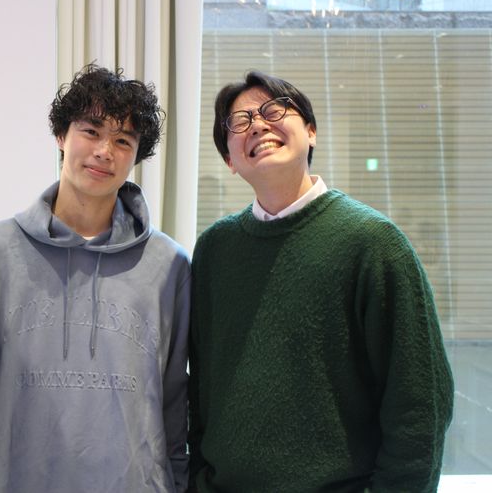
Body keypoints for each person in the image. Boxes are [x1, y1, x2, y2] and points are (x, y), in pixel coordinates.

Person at [188, 71, 454, 492]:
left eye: (274, 110)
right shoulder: (214, 250)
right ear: (230, 161)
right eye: (240, 121)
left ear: (310, 131)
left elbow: (420, 405)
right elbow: (199, 388)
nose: (258, 125)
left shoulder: (373, 244)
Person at [0, 64, 190, 492]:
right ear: (62, 135)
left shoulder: (169, 266)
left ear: (137, 155)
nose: (104, 151)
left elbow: (175, 410)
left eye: (122, 140)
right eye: (91, 131)